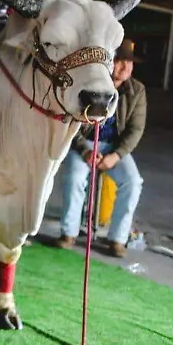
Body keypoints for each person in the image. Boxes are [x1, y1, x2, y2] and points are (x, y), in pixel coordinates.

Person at [55, 38, 148, 257]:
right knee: (75, 178)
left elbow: (135, 130)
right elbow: (70, 120)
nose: (125, 67)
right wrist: (84, 150)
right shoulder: (90, 84)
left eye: (129, 62)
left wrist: (116, 156)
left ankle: (118, 238)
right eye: (120, 60)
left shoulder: (137, 90)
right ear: (109, 61)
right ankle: (68, 233)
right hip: (84, 144)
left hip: (114, 148)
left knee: (133, 182)